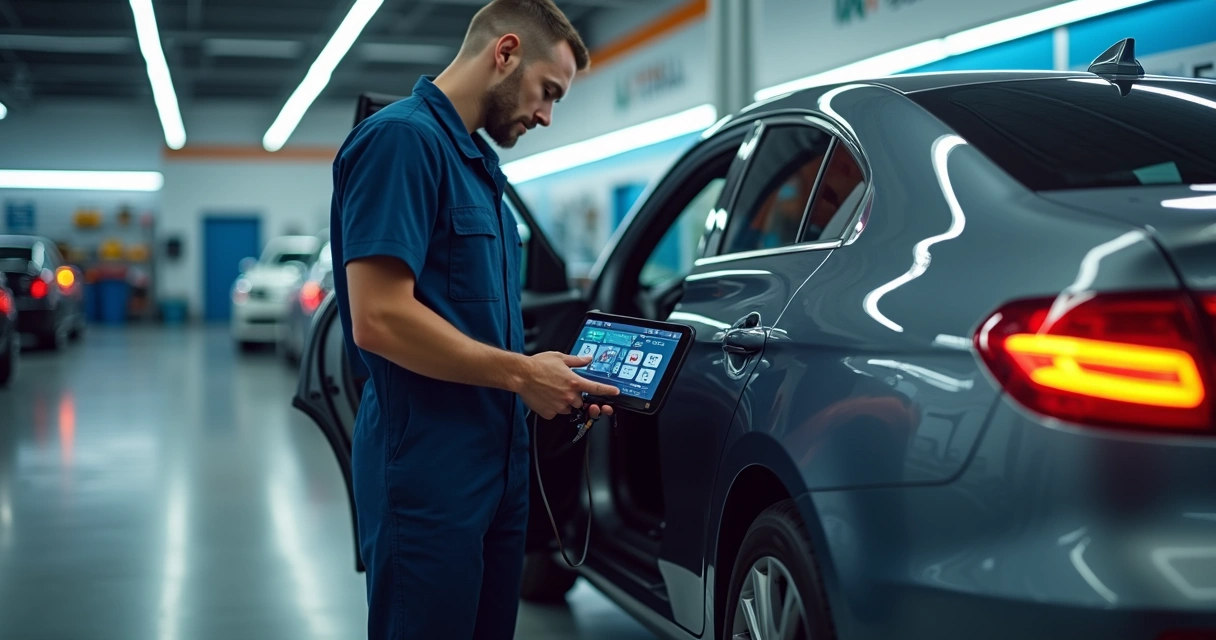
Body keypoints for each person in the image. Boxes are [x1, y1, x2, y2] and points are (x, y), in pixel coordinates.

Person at [328, 0, 619, 637]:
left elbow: (469, 315)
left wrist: (546, 382)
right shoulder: (402, 141)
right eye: (548, 92)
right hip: (428, 471)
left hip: (496, 465)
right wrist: (522, 375)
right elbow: (377, 317)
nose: (546, 115)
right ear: (505, 52)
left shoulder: (479, 166)